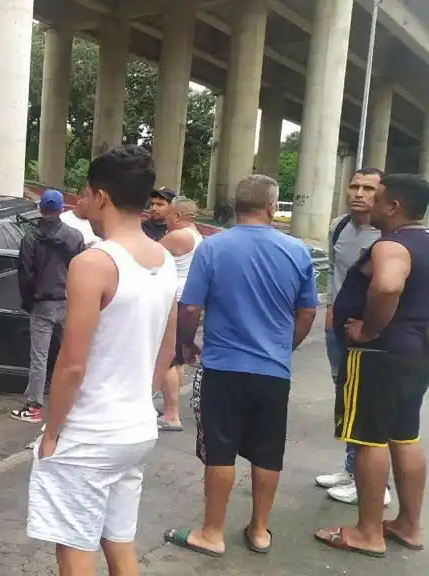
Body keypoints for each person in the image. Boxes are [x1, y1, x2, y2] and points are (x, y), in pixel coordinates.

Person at [26, 145, 178, 575]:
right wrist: (137, 402)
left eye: (84, 193)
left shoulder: (94, 263)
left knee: (75, 549)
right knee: (119, 542)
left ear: (102, 197)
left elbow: (72, 364)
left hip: (90, 433)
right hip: (135, 429)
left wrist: (52, 432)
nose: (80, 201)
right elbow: (167, 349)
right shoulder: (164, 259)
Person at [165, 174, 318, 557]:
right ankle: (260, 530)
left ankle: (212, 532)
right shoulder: (297, 251)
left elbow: (190, 306)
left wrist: (186, 344)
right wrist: (286, 346)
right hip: (273, 371)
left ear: (236, 207)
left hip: (223, 367)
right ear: (271, 206)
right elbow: (308, 310)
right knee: (268, 452)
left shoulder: (214, 248)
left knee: (220, 451)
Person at [315, 174, 429, 558]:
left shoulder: (392, 246)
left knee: (368, 440)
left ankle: (368, 531)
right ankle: (408, 526)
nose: (369, 202)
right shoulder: (427, 242)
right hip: (414, 357)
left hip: (379, 356)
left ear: (393, 207)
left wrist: (367, 330)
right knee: (405, 436)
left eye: (377, 197)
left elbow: (387, 286)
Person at [313, 168, 391, 507]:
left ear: (383, 195)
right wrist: (331, 308)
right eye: (354, 186)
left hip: (373, 334)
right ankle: (350, 468)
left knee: (370, 403)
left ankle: (375, 485)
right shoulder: (339, 226)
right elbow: (334, 270)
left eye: (368, 188)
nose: (358, 193)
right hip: (338, 328)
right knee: (346, 396)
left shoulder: (389, 234)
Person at [12, 190, 86, 424]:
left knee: (39, 358)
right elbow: (82, 271)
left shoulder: (30, 238)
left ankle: (34, 407)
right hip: (68, 303)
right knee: (72, 355)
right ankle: (77, 405)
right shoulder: (75, 236)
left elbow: (24, 275)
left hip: (42, 304)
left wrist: (28, 302)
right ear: (62, 208)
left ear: (41, 209)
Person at [154, 197, 204, 432]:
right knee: (176, 356)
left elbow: (149, 255)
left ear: (177, 216)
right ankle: (167, 404)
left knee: (166, 356)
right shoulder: (196, 236)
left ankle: (171, 414)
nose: (165, 218)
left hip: (175, 300)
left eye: (169, 214)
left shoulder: (178, 236)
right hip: (187, 300)